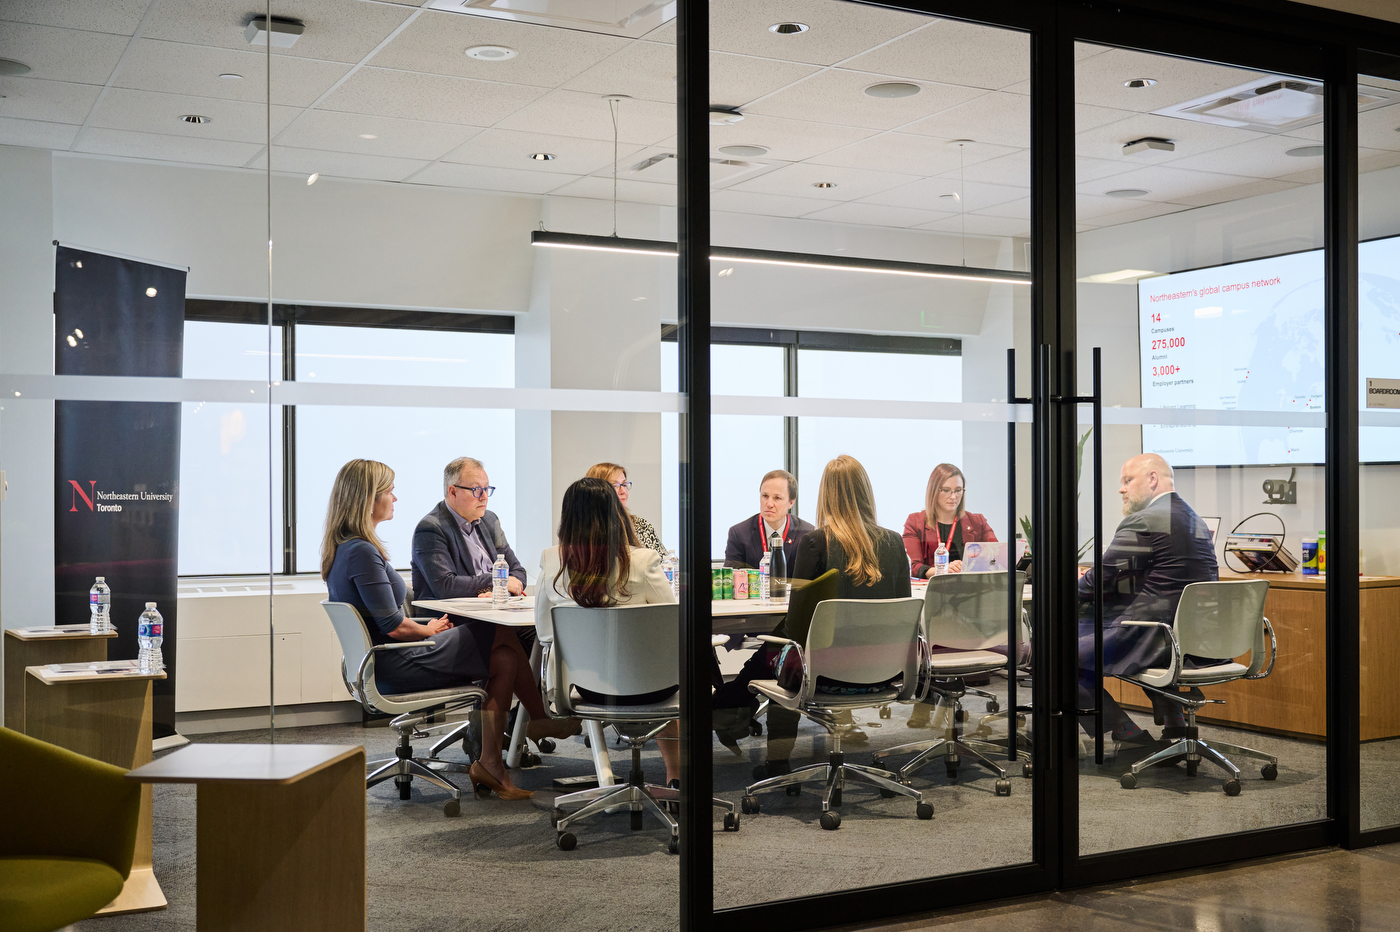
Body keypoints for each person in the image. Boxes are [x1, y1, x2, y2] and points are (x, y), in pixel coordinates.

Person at [410, 456, 579, 800]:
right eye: (476, 489)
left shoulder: (489, 521)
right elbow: (444, 586)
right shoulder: (431, 528)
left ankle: (497, 758)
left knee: (536, 639)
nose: (484, 496)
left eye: (488, 489)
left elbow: (517, 572)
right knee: (502, 639)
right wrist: (492, 581)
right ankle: (540, 717)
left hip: (494, 616)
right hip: (450, 624)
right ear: (452, 491)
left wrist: (503, 582)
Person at [759, 454, 913, 775]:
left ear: (825, 495)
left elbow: (797, 627)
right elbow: (903, 617)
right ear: (866, 492)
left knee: (778, 654)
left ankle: (776, 765)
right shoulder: (895, 543)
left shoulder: (815, 543)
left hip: (826, 675)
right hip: (883, 672)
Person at [536, 477, 680, 785]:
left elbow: (546, 634)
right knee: (672, 665)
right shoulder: (642, 561)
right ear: (616, 514)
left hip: (588, 688)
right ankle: (675, 777)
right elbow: (671, 627)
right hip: (653, 686)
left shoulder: (551, 561)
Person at [1077, 453, 1222, 753]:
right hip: (1198, 640)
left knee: (1053, 653)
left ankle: (1126, 733)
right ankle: (1175, 724)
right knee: (1089, 636)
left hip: (1156, 639)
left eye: (1128, 480)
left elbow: (1097, 583)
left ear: (1152, 479)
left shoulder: (1144, 520)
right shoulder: (1194, 519)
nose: (1122, 489)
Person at [902, 463, 997, 577]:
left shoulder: (977, 522)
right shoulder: (915, 522)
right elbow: (914, 567)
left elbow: (996, 556)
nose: (953, 496)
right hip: (934, 589)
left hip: (971, 586)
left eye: (958, 490)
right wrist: (943, 570)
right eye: (946, 490)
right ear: (934, 491)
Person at [723, 468, 814, 570]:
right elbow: (732, 580)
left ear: (791, 503)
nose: (769, 504)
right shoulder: (739, 534)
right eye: (765, 496)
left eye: (777, 498)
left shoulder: (807, 535)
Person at [585, 462, 666, 556]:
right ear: (597, 491)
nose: (623, 491)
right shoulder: (587, 530)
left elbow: (667, 562)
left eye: (624, 484)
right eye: (614, 486)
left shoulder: (640, 525)